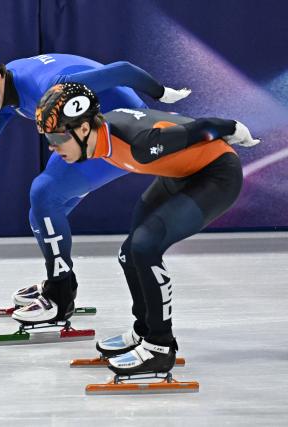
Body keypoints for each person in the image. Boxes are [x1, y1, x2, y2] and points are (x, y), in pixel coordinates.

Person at [0, 40, 191, 324]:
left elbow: (123, 71)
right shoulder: (1, 93)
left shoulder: (47, 86)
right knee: (42, 211)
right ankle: (59, 283)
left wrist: (161, 93)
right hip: (87, 132)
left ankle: (60, 295)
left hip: (126, 131)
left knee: (44, 194)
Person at [34, 82, 259, 374]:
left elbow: (197, 128)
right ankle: (144, 331)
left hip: (216, 175)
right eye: (47, 137)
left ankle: (160, 347)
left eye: (57, 136)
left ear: (84, 128)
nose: (52, 146)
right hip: (180, 174)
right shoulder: (100, 139)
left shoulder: (138, 143)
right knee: (129, 253)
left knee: (145, 245)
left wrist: (233, 127)